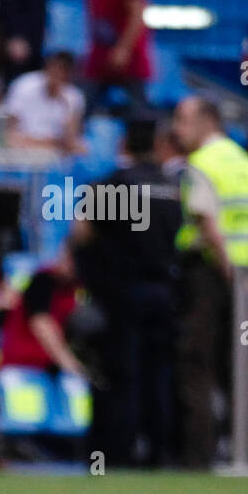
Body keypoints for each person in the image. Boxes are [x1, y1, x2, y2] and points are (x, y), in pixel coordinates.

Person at [73, 116, 182, 467]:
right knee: (160, 374)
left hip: (122, 293)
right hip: (165, 291)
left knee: (123, 374)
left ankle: (118, 454)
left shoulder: (111, 186)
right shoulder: (172, 186)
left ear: (124, 146)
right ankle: (158, 452)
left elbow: (81, 234)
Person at [172, 96, 248, 470]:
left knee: (196, 362)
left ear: (207, 122)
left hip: (209, 274)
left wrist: (226, 269)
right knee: (241, 364)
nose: (176, 130)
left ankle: (199, 459)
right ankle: (245, 451)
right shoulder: (247, 164)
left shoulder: (202, 164)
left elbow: (206, 223)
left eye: (183, 121)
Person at [0, 240, 87, 377]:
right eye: (65, 257)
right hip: (20, 368)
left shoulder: (76, 289)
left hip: (50, 370)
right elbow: (41, 324)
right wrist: (72, 365)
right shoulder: (42, 279)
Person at [4, 51, 86, 154]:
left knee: (81, 149)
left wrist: (66, 105)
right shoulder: (24, 84)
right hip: (22, 147)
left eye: (64, 71)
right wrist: (47, 143)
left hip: (53, 152)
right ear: (47, 67)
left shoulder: (74, 96)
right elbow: (8, 128)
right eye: (55, 68)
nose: (58, 74)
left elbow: (71, 142)